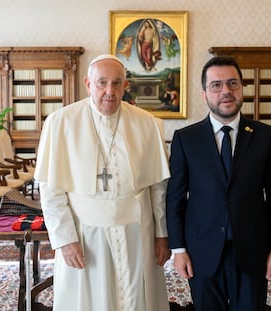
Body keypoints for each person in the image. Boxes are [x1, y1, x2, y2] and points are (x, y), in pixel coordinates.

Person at [34, 54, 171, 311]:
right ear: (88, 84)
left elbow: (158, 188)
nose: (110, 91)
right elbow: (51, 191)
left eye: (117, 83)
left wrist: (162, 234)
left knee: (137, 299)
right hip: (85, 235)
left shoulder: (148, 124)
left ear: (125, 86)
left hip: (137, 233)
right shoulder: (60, 123)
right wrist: (65, 239)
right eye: (102, 83)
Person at [166, 56, 271, 311]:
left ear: (242, 88)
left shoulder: (266, 136)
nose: (226, 91)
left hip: (253, 250)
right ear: (204, 93)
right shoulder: (185, 139)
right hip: (202, 251)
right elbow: (175, 199)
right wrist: (178, 249)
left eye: (233, 84)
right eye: (216, 85)